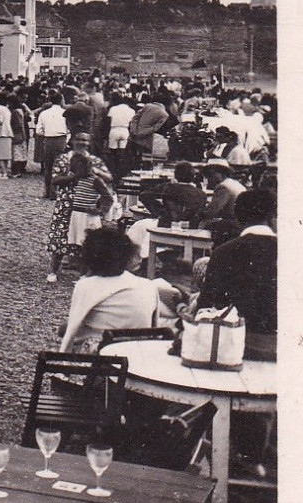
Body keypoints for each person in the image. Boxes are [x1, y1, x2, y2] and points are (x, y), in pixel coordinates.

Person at [57, 225, 182, 353]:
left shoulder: (86, 285)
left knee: (68, 332)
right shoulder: (147, 285)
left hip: (103, 352)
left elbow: (71, 328)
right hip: (138, 351)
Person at [195, 188, 276, 359]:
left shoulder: (223, 252)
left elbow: (206, 304)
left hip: (232, 344)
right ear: (273, 217)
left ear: (238, 218)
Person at [45, 135, 111, 282]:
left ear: (89, 143)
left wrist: (94, 171)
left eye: (85, 140)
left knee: (85, 240)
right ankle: (53, 271)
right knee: (60, 237)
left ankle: (85, 273)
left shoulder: (94, 160)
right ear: (72, 142)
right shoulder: (63, 159)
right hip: (65, 204)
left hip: (86, 206)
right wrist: (75, 176)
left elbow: (108, 178)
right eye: (79, 139)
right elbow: (55, 179)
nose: (82, 143)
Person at [33, 93, 70, 198]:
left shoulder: (44, 113)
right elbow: (69, 129)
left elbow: (38, 130)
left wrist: (47, 132)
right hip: (61, 139)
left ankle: (48, 191)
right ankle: (56, 191)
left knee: (48, 167)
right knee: (59, 166)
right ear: (61, 100)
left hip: (48, 139)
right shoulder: (65, 113)